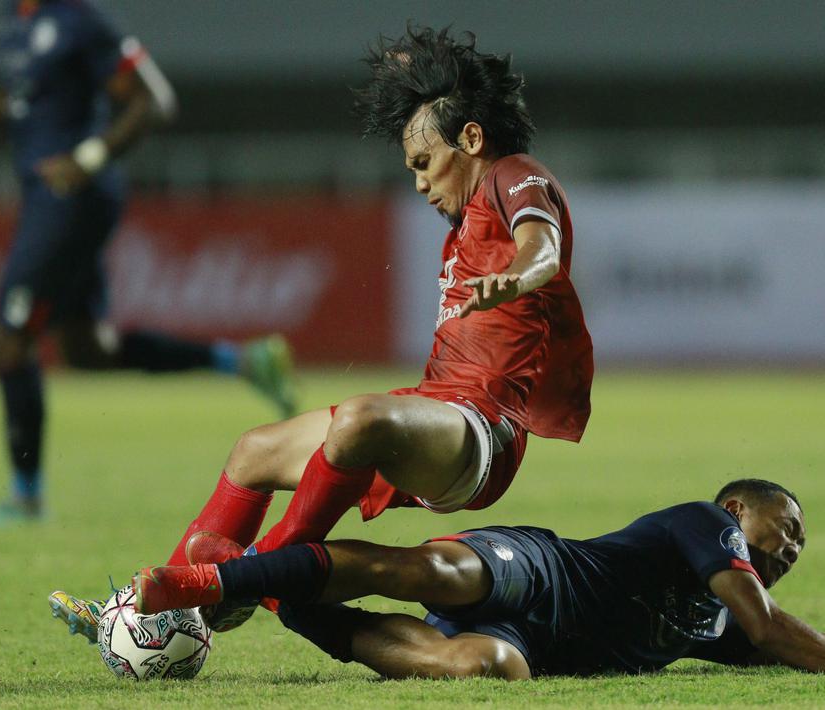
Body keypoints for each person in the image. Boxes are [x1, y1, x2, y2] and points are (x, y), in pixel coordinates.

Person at [48, 25, 593, 638]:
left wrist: (516, 280)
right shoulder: (467, 212)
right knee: (254, 451)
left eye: (423, 163)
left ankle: (251, 578)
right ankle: (146, 620)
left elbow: (541, 247)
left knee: (360, 418)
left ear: (471, 138)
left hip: (479, 432)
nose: (418, 182)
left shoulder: (512, 174)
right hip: (429, 412)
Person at [0, 0, 297, 525]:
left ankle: (26, 497)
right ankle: (241, 361)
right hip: (47, 196)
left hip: (72, 197)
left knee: (9, 340)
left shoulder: (80, 19)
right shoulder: (15, 21)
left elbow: (155, 100)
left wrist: (88, 158)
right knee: (87, 348)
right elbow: (27, 101)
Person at [123, 478, 825, 678]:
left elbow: (809, 637)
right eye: (790, 524)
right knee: (436, 571)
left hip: (536, 641)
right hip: (541, 571)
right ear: (738, 513)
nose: (796, 542)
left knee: (488, 669)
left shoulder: (711, 626)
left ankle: (282, 599)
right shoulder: (702, 531)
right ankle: (213, 584)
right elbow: (777, 628)